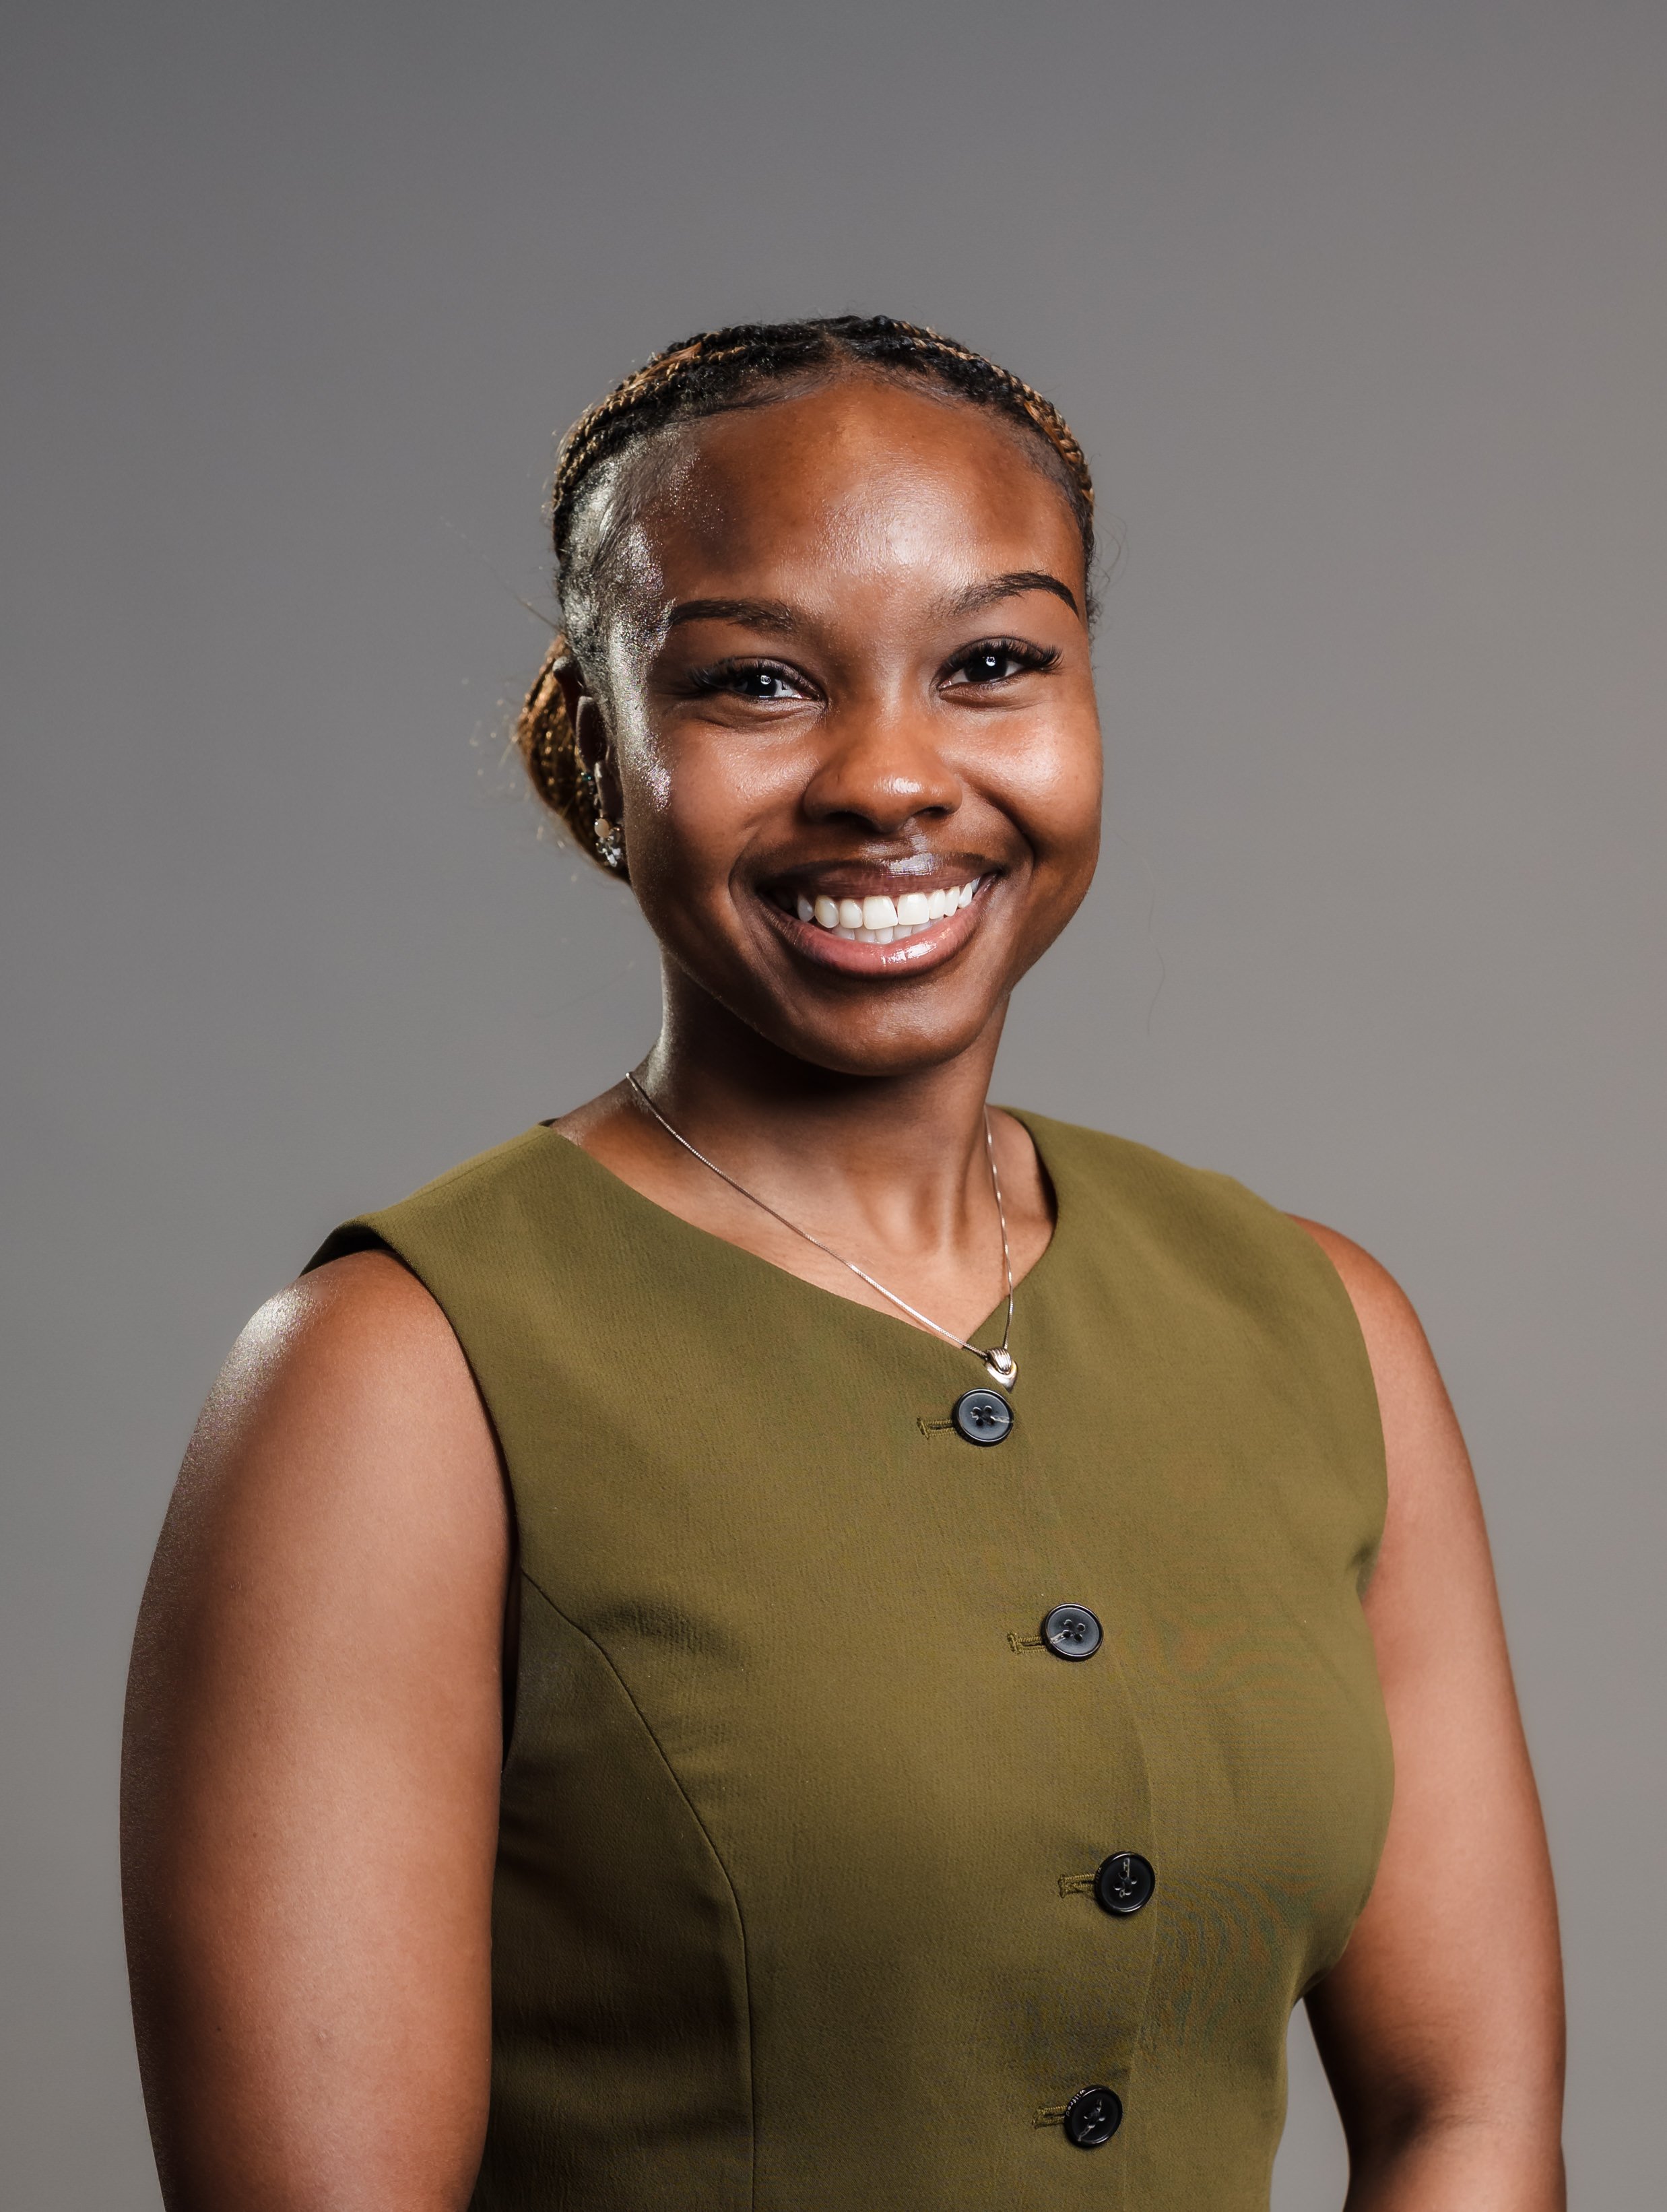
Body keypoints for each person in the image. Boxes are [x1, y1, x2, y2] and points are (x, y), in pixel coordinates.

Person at [121, 316, 1565, 2211]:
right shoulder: (394, 1374)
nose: (892, 776)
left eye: (989, 663)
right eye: (754, 685)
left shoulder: (1320, 1325)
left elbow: (1469, 2117)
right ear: (599, 741)